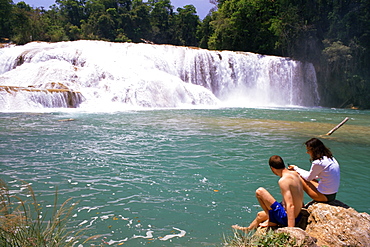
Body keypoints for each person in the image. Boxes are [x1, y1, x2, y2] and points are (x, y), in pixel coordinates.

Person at [232, 155, 304, 232]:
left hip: (286, 218)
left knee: (259, 191)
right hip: (298, 215)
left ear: (272, 168)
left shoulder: (283, 181)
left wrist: (290, 229)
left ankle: (271, 220)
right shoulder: (295, 174)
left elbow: (290, 205)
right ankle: (248, 229)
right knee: (260, 215)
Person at [288, 138, 340, 202]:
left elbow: (308, 178)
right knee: (300, 174)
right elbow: (312, 176)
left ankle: (297, 202)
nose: (307, 152)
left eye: (308, 150)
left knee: (295, 175)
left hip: (325, 196)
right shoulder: (331, 158)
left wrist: (296, 169)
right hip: (332, 195)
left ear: (314, 150)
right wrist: (296, 168)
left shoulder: (318, 162)